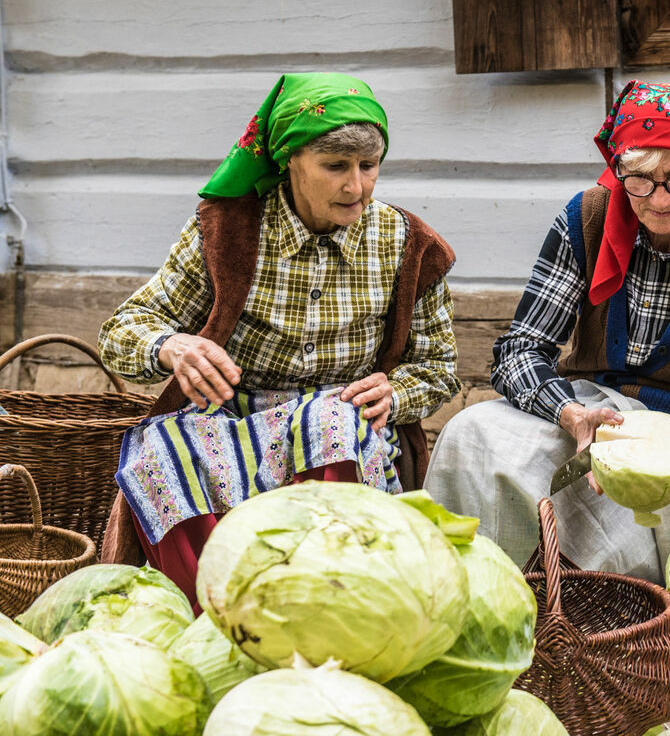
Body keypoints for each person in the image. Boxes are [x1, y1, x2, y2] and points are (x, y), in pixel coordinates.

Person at [424, 80, 670, 583]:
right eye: (640, 179)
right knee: (470, 432)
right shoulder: (584, 222)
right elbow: (519, 349)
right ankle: (483, 590)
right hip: (591, 408)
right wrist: (569, 412)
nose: (659, 199)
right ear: (619, 171)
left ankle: (612, 623)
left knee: (620, 499)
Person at [98, 73, 461, 604]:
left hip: (340, 424)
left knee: (331, 420)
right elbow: (120, 331)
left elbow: (438, 367)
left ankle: (331, 604)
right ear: (290, 161)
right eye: (335, 166)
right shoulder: (228, 230)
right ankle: (211, 614)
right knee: (159, 453)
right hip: (229, 419)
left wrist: (396, 394)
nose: (356, 186)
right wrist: (172, 347)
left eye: (369, 166)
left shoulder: (408, 245)